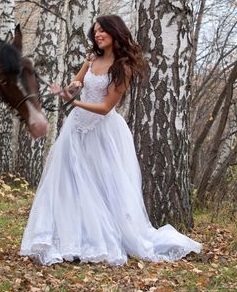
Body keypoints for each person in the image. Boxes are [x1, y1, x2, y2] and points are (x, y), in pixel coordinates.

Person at [20, 15, 202, 266]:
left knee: (101, 187)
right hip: (76, 129)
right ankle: (67, 239)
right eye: (95, 31)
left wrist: (75, 102)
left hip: (102, 132)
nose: (98, 35)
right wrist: (68, 90)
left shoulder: (123, 67)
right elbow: (77, 84)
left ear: (115, 33)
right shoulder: (92, 59)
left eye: (103, 31)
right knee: (68, 184)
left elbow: (105, 107)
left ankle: (99, 239)